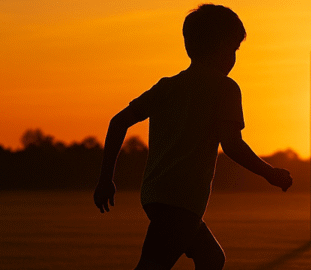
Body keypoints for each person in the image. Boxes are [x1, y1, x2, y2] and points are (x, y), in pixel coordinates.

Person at [92, 4, 293, 270]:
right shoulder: (225, 88)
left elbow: (118, 123)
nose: (234, 58)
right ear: (222, 45)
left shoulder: (168, 87)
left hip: (155, 196)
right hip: (181, 200)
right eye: (234, 49)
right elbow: (232, 145)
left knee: (212, 258)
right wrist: (270, 173)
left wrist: (106, 179)